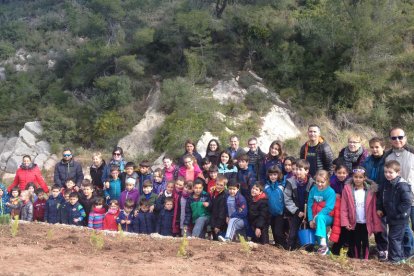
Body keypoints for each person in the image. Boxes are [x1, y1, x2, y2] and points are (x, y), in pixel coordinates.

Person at [384, 127, 414, 259]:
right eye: (394, 138)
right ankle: (408, 252)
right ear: (390, 140)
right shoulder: (388, 155)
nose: (397, 140)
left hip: (411, 197)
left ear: (405, 138)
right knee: (403, 227)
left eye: (400, 137)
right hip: (397, 200)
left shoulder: (412, 152)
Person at [341, 167, 383, 259]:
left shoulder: (370, 191)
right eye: (355, 177)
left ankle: (365, 260)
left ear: (364, 178)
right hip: (354, 221)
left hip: (365, 222)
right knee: (355, 241)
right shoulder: (347, 190)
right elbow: (344, 208)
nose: (358, 179)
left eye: (360, 177)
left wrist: (375, 225)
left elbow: (373, 208)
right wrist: (345, 222)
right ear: (352, 177)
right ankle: (356, 259)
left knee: (365, 241)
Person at [377, 160, 412, 264]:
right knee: (394, 237)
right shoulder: (386, 184)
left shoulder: (402, 185)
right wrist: (380, 209)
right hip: (391, 216)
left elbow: (407, 202)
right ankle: (400, 257)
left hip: (400, 217)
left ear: (398, 173)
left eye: (391, 172)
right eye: (386, 172)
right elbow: (381, 198)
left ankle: (395, 259)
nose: (388, 174)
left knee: (394, 238)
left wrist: (397, 212)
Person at [363, 137, 388, 261]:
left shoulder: (387, 160)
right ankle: (377, 247)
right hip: (370, 194)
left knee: (382, 223)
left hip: (384, 195)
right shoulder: (367, 161)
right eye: (372, 147)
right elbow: (363, 177)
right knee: (373, 222)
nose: (374, 149)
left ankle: (384, 248)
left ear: (383, 147)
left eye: (377, 147)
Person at [284, 159, 315, 250]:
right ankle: (290, 250)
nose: (297, 172)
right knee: (293, 233)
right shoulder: (291, 182)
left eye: (300, 169)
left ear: (307, 171)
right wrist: (297, 211)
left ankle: (309, 251)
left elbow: (314, 199)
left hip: (308, 212)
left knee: (309, 232)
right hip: (296, 211)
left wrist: (308, 214)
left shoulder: (312, 183)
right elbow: (287, 199)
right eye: (296, 169)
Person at [307, 170, 336, 255]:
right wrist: (310, 219)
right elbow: (309, 205)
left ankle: (323, 245)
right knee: (320, 225)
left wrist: (317, 216)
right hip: (316, 216)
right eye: (317, 181)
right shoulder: (313, 189)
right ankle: (326, 251)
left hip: (328, 216)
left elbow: (329, 207)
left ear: (327, 181)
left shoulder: (330, 192)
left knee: (320, 218)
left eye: (322, 182)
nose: (319, 184)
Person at [330, 164, 351, 256]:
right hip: (335, 208)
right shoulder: (332, 181)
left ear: (347, 173)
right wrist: (334, 194)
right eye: (339, 173)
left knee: (345, 227)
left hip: (347, 208)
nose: (341, 175)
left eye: (344, 173)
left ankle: (345, 245)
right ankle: (337, 246)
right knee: (336, 227)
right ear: (335, 173)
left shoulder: (350, 182)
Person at [264, 166, 286, 248]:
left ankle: (283, 247)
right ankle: (276, 247)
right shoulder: (266, 186)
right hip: (269, 213)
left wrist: (284, 211)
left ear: (278, 175)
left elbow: (285, 199)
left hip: (279, 213)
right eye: (271, 175)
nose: (273, 176)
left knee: (278, 232)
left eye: (275, 174)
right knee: (273, 231)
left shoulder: (282, 186)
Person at [209, 175, 228, 240]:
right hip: (214, 220)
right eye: (217, 184)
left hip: (220, 224)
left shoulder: (224, 196)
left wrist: (218, 226)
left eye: (221, 185)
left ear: (224, 186)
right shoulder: (214, 192)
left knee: (219, 241)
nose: (218, 186)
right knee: (214, 239)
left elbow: (222, 213)